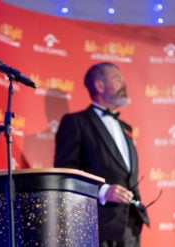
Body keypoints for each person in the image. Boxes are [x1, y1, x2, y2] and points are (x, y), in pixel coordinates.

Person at [54, 62, 150, 247]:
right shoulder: (76, 122)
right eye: (117, 79)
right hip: (98, 224)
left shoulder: (126, 128)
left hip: (131, 226)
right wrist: (103, 191)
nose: (125, 84)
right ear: (99, 85)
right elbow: (66, 172)